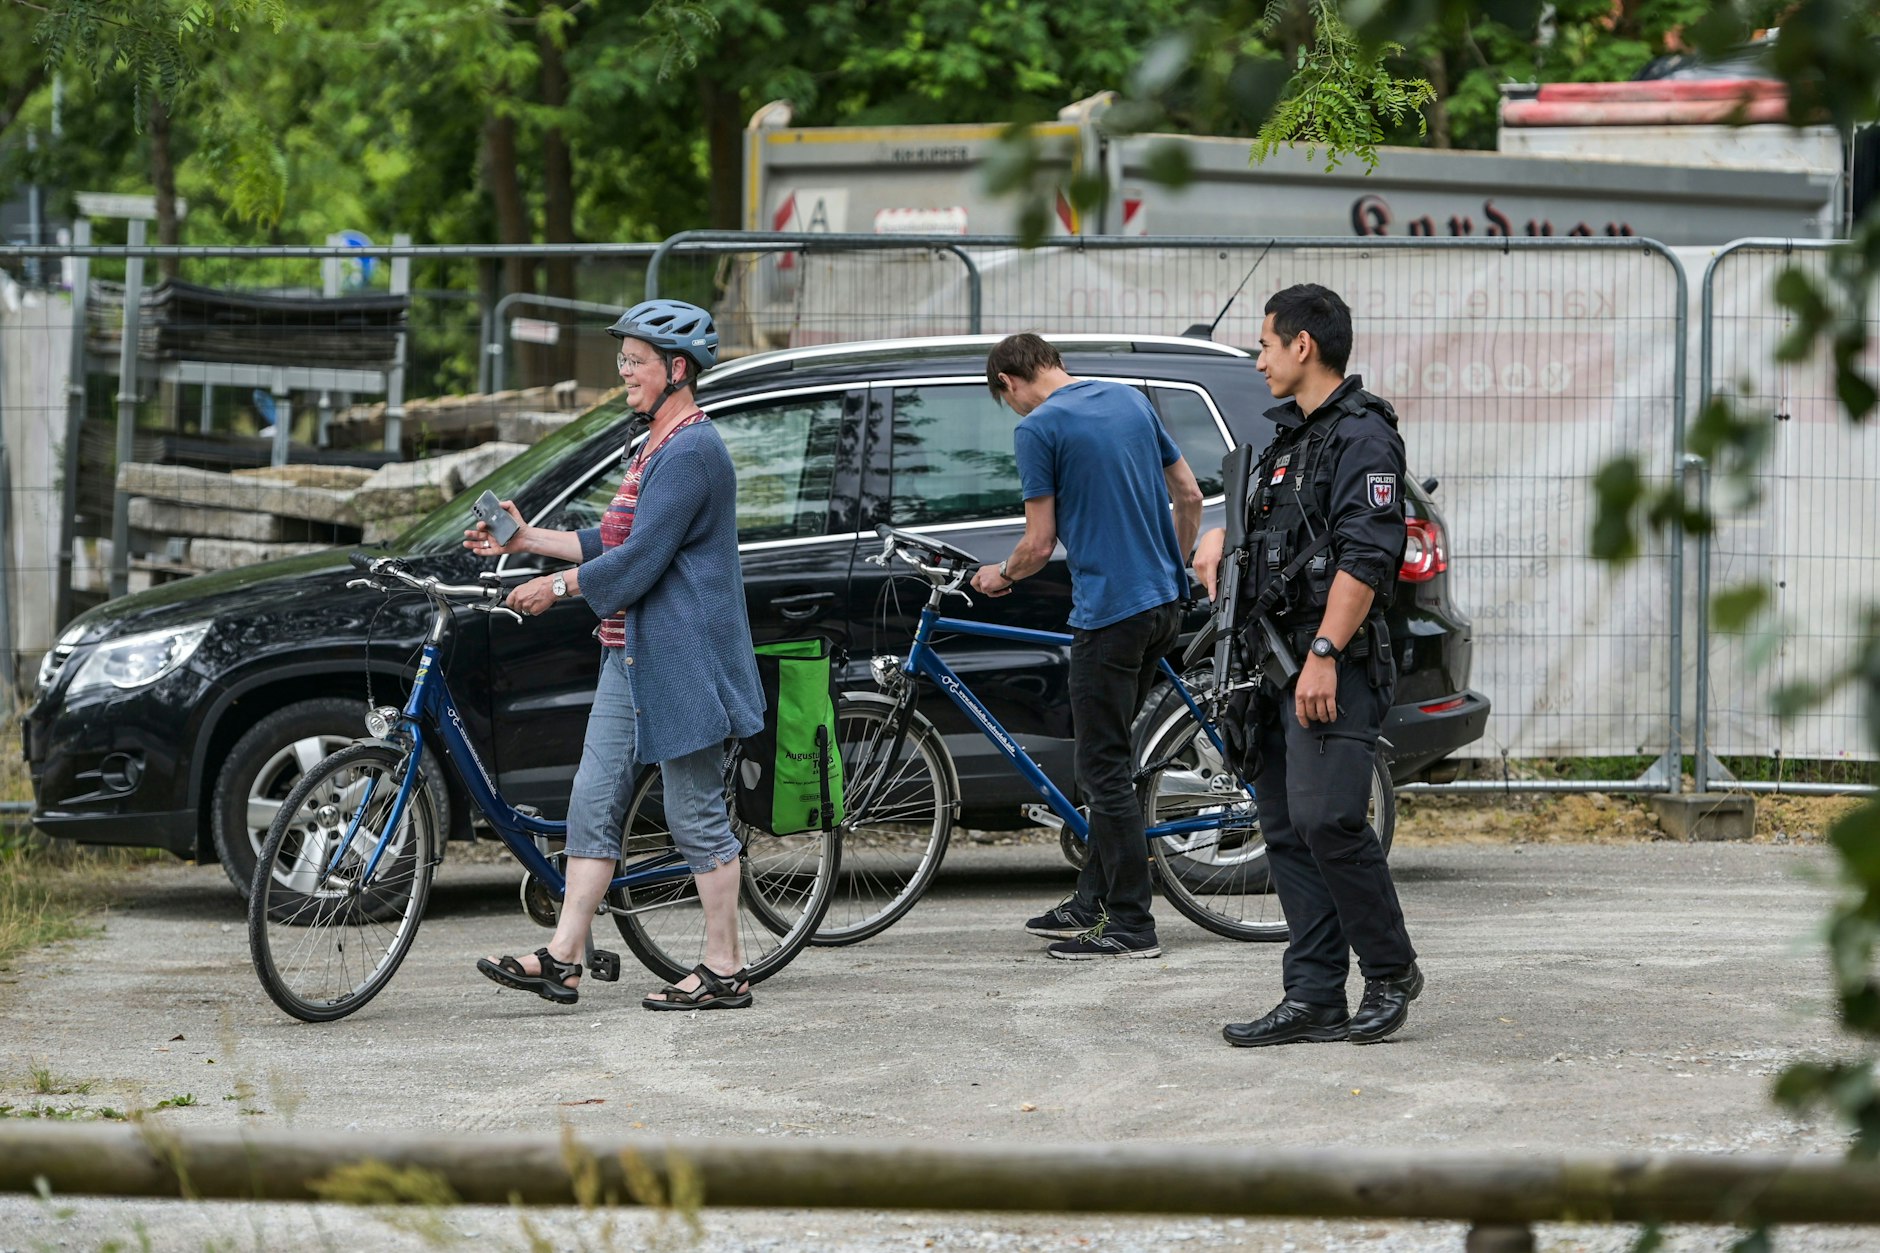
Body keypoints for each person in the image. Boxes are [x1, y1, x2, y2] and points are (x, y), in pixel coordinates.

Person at [467, 299, 765, 1010]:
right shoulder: (653, 446)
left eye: (636, 362)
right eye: (623, 360)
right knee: (592, 804)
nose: (624, 373)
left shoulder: (694, 448)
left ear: (677, 368)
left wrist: (557, 587)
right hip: (627, 656)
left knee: (695, 814)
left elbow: (641, 563)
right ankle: (565, 955)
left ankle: (725, 967)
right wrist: (527, 539)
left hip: (681, 659)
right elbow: (615, 543)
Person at [1192, 284, 1422, 1046]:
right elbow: (1282, 540)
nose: (1257, 359)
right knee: (1287, 827)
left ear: (1302, 345)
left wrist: (1324, 653)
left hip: (1331, 661)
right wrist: (1224, 548)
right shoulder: (1290, 438)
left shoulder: (1362, 436)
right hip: (1270, 663)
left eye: (1263, 343)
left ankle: (1389, 971)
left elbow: (1368, 553)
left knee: (1330, 819)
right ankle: (1315, 992)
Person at [972, 333, 1203, 959]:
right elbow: (1189, 496)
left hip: (1108, 615)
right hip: (1161, 605)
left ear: (1009, 384)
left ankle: (1131, 925)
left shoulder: (1037, 429)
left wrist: (998, 575)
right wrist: (1176, 569)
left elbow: (1038, 543)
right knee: (1114, 764)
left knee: (1102, 770)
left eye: (1006, 400)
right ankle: (1091, 900)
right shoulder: (1129, 400)